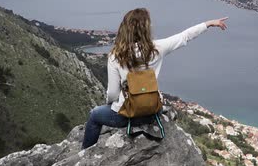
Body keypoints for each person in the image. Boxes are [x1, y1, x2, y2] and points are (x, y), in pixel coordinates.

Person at [82, 8, 228, 149]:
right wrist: (208, 23)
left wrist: (111, 105)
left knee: (94, 115)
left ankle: (87, 154)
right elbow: (184, 36)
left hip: (127, 116)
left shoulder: (116, 56)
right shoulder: (157, 48)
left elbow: (113, 93)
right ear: (146, 29)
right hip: (153, 112)